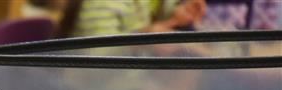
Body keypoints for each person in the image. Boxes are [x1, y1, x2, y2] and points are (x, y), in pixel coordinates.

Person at [57, 0, 207, 36]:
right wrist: (143, 41)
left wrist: (181, 11)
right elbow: (94, 59)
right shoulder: (102, 3)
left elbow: (149, 23)